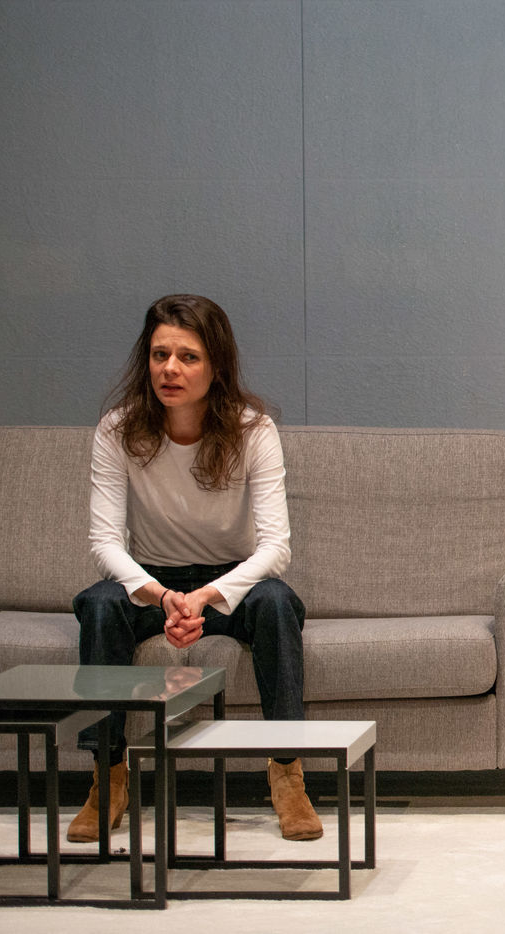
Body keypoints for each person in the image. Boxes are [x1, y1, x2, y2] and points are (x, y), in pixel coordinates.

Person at [67, 294, 322, 844]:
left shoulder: (254, 430)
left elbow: (276, 548)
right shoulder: (116, 430)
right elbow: (104, 542)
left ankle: (287, 774)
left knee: (278, 601)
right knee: (100, 603)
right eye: (160, 355)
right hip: (152, 581)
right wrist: (162, 596)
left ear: (216, 367)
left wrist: (204, 597)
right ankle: (107, 777)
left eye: (188, 357)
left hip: (231, 581)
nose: (170, 369)